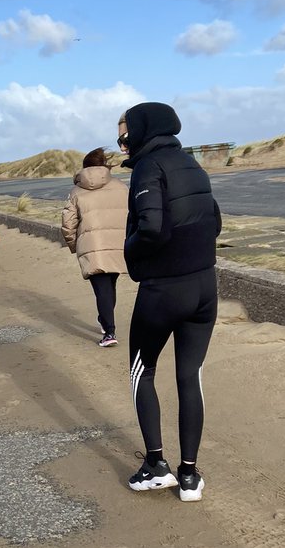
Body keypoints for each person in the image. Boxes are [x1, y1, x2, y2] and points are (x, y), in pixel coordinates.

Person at [119, 102, 221, 502]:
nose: (123, 142)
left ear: (144, 130)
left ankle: (156, 466)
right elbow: (214, 220)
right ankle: (190, 476)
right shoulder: (193, 164)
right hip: (204, 288)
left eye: (126, 134)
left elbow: (152, 228)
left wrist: (131, 255)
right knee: (189, 375)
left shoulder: (150, 167)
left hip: (164, 290)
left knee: (141, 372)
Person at [60, 147, 128, 347]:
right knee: (109, 285)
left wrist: (74, 245)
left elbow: (68, 224)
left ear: (85, 167)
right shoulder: (121, 186)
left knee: (102, 289)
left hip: (91, 246)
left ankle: (109, 332)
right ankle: (105, 321)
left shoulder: (76, 191)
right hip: (118, 244)